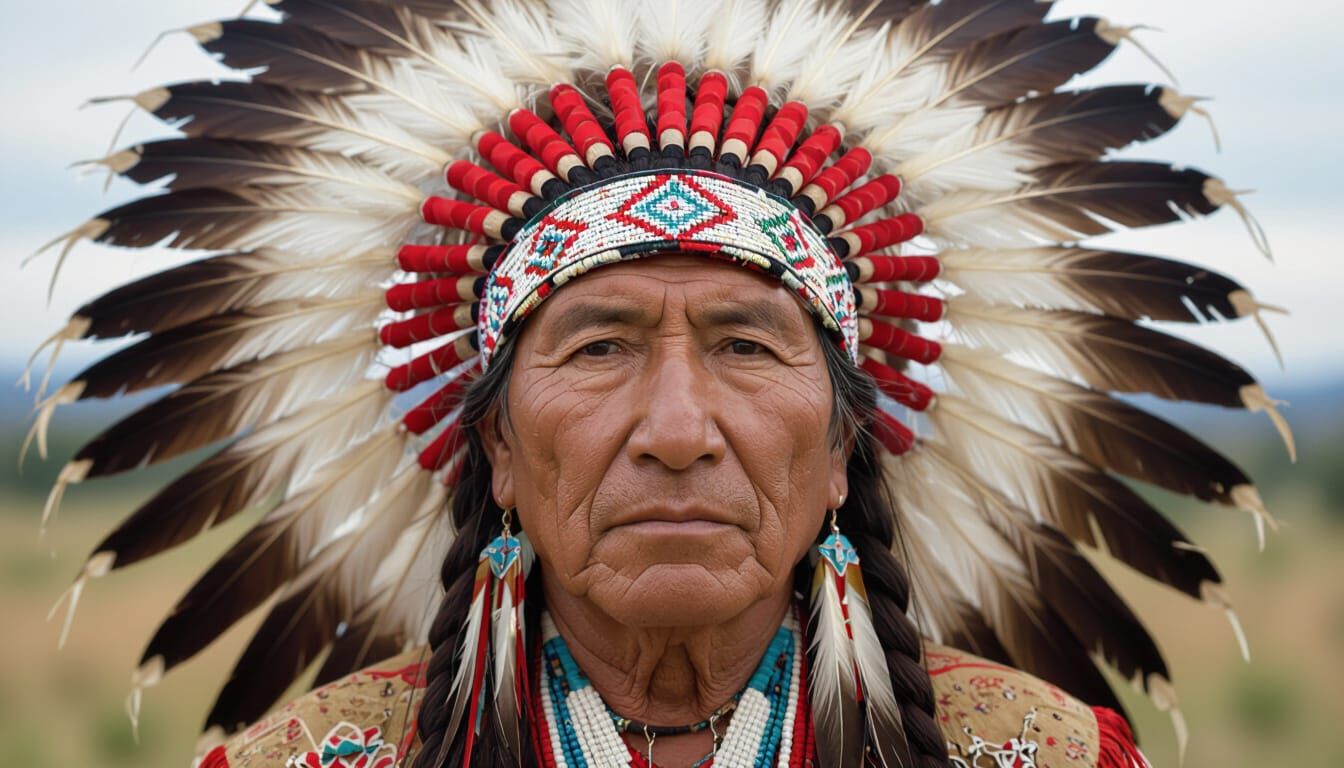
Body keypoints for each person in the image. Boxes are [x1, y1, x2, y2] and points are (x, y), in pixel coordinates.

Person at [29, 1, 1288, 767]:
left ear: (846, 446)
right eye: (598, 346)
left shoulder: (1042, 760)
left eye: (748, 345)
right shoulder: (308, 764)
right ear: (500, 456)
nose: (678, 432)